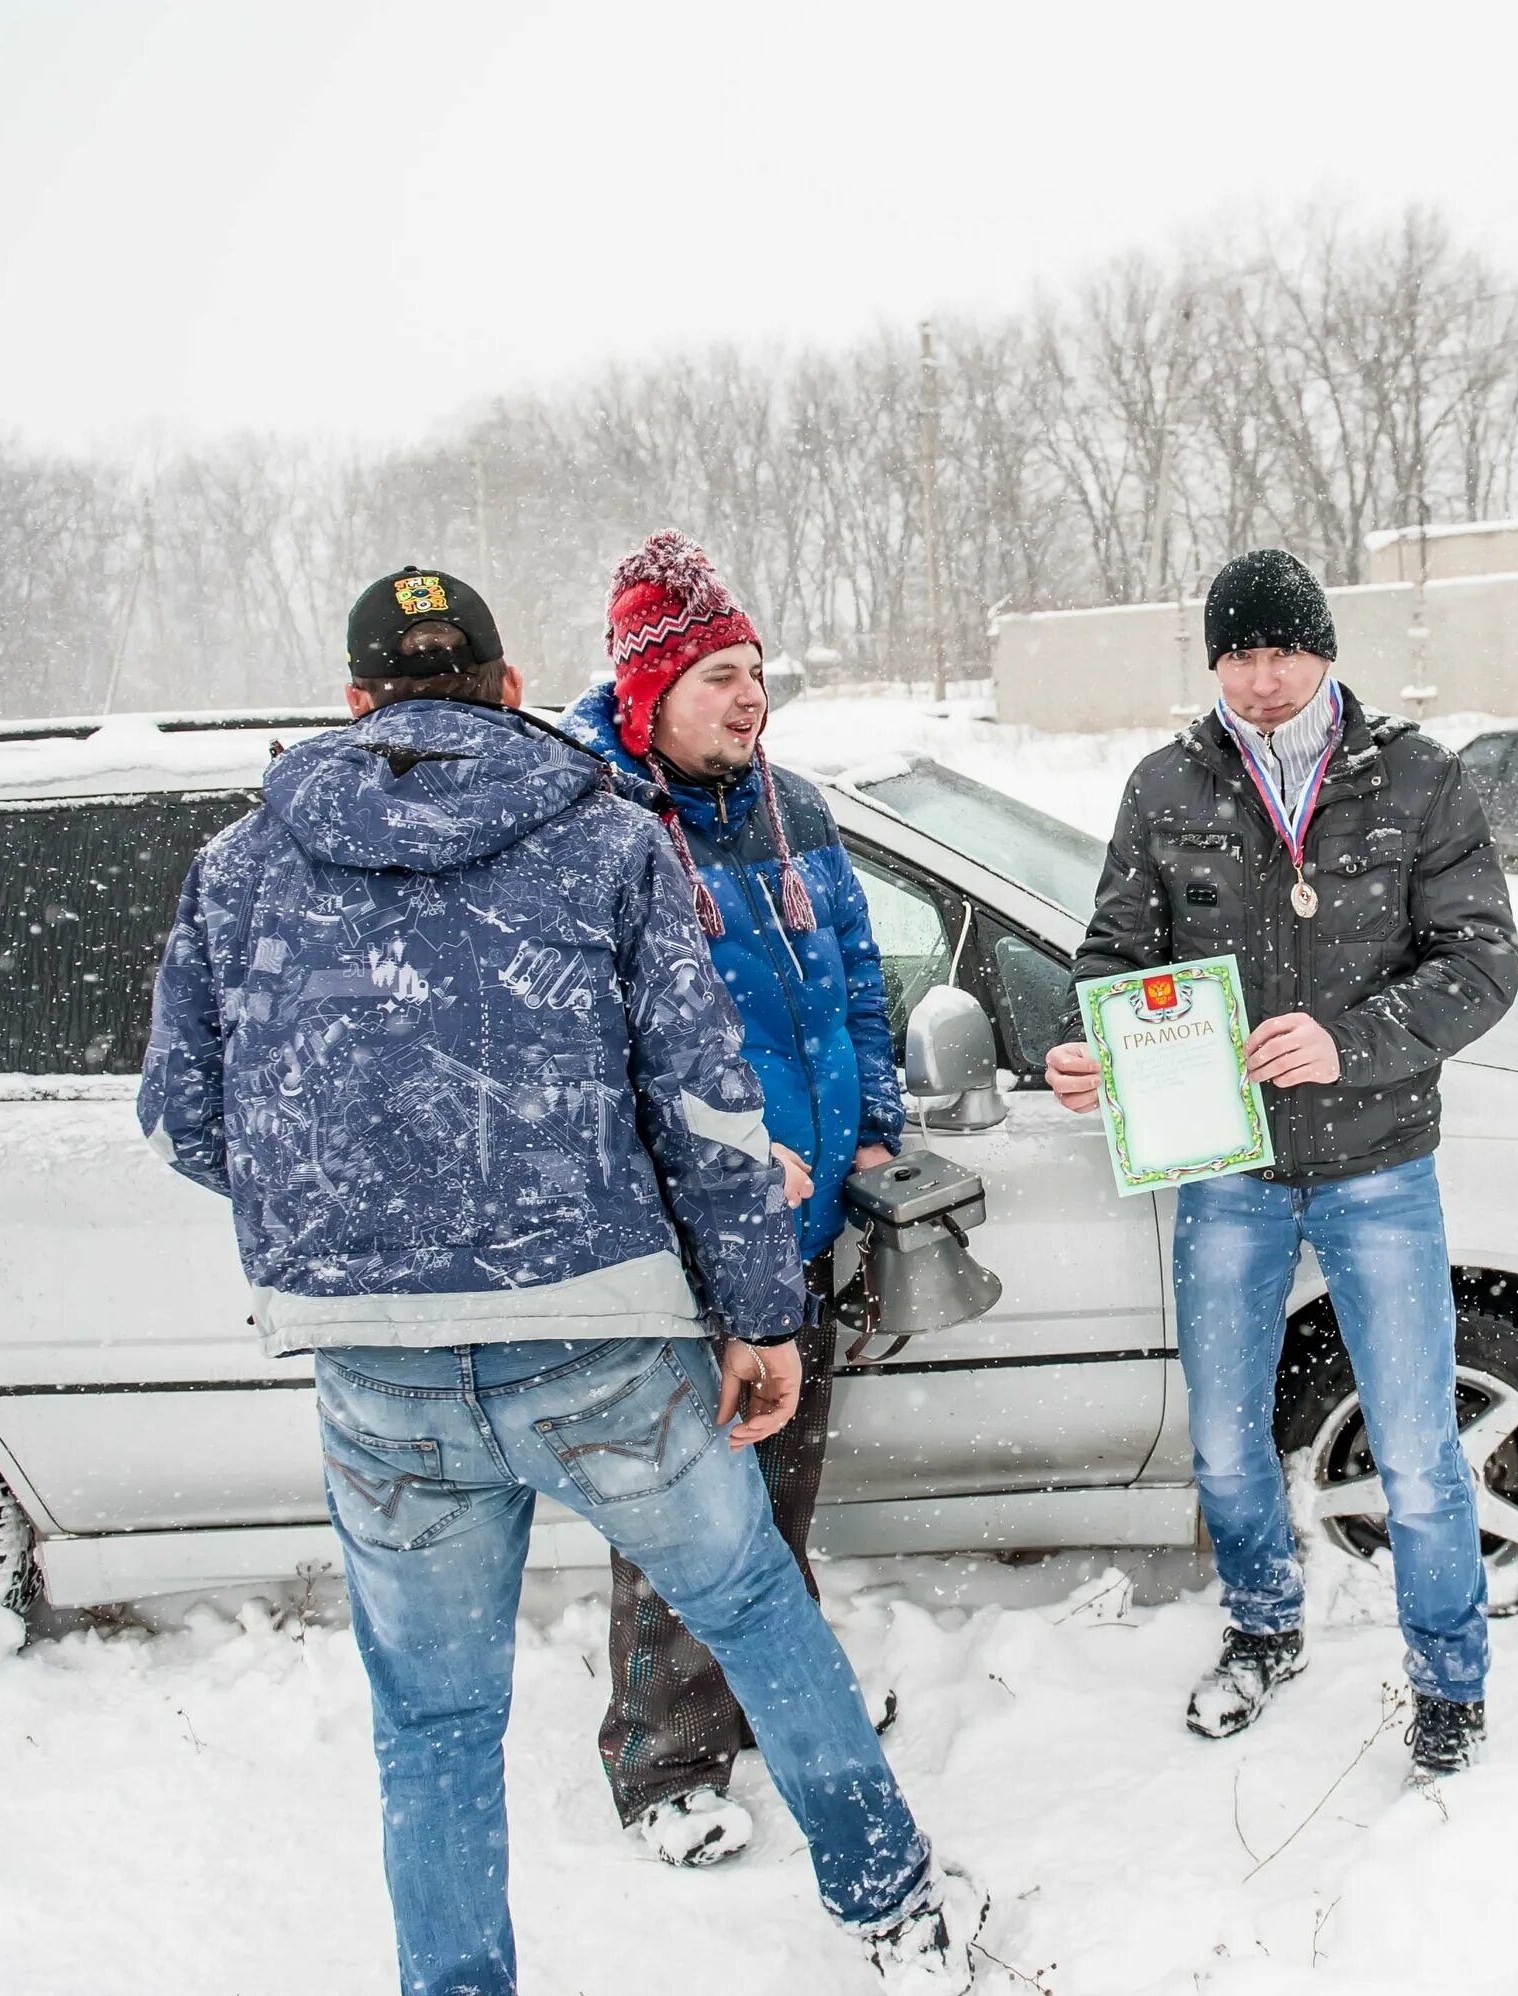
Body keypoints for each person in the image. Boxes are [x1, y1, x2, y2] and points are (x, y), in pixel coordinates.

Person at [138, 566, 979, 1993]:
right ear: (513, 686)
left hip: (378, 1372)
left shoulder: (244, 863)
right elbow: (706, 1110)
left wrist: (365, 1218)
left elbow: (186, 1116)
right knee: (757, 1609)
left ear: (353, 704)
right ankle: (895, 1911)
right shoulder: (600, 842)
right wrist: (760, 1313)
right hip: (595, 1340)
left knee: (436, 1725)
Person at [1046, 547, 1518, 1775]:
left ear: (1326, 652)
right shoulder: (1165, 787)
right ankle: (1262, 1625)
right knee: (1222, 1436)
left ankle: (1450, 1680)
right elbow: (1115, 952)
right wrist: (1091, 1041)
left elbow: (1479, 963)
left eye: (1284, 652)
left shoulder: (1417, 781)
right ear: (1214, 661)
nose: (1262, 679)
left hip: (1377, 1167)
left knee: (1417, 1446)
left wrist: (1349, 1041)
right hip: (1228, 1172)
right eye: (1239, 654)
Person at [559, 531, 906, 1867]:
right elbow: (585, 1059)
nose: (749, 697)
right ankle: (664, 1762)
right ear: (648, 691)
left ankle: (776, 1697)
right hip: (676, 1249)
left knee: (785, 1495)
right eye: (716, 675)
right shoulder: (600, 833)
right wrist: (718, 1173)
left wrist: (870, 1130)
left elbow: (857, 990)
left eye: (757, 671)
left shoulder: (792, 812)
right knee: (683, 1520)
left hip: (799, 1235)